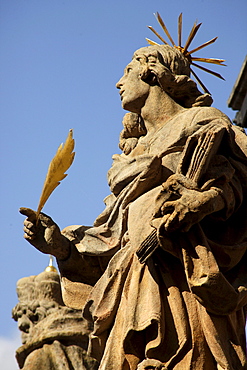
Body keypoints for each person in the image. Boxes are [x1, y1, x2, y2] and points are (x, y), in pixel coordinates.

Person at [21, 44, 247, 370]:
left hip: (184, 281)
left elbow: (238, 184)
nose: (118, 82)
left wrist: (199, 205)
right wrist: (63, 248)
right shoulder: (130, 158)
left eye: (127, 70)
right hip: (133, 282)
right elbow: (111, 240)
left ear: (151, 71)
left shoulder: (202, 122)